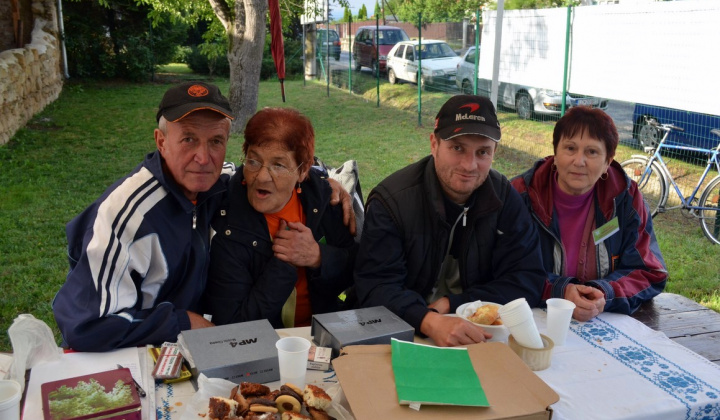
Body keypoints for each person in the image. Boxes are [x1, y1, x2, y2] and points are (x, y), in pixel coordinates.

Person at [53, 83, 355, 352]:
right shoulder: (127, 214)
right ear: (160, 142)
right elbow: (84, 325)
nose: (203, 158)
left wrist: (325, 177)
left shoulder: (217, 185)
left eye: (215, 142)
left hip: (185, 350)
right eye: (188, 139)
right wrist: (180, 321)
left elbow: (276, 169)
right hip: (126, 354)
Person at [353, 95, 547, 347]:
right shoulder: (392, 201)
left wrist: (455, 304)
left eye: (482, 152)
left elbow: (527, 278)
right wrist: (428, 320)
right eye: (457, 148)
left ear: (494, 153)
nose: (469, 165)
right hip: (404, 333)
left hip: (481, 334)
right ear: (434, 144)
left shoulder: (504, 199)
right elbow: (374, 286)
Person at [202, 107, 357, 329]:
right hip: (264, 347)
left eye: (279, 165)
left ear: (303, 171)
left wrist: (319, 257)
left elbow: (359, 270)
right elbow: (234, 325)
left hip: (324, 336)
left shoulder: (324, 200)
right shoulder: (227, 221)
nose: (262, 177)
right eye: (253, 161)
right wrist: (284, 264)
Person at [510, 106, 667, 322]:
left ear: (608, 162)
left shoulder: (626, 199)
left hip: (602, 322)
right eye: (570, 148)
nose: (579, 161)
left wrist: (605, 292)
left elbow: (649, 271)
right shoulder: (521, 196)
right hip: (531, 321)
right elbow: (507, 269)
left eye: (592, 152)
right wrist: (560, 291)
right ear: (555, 154)